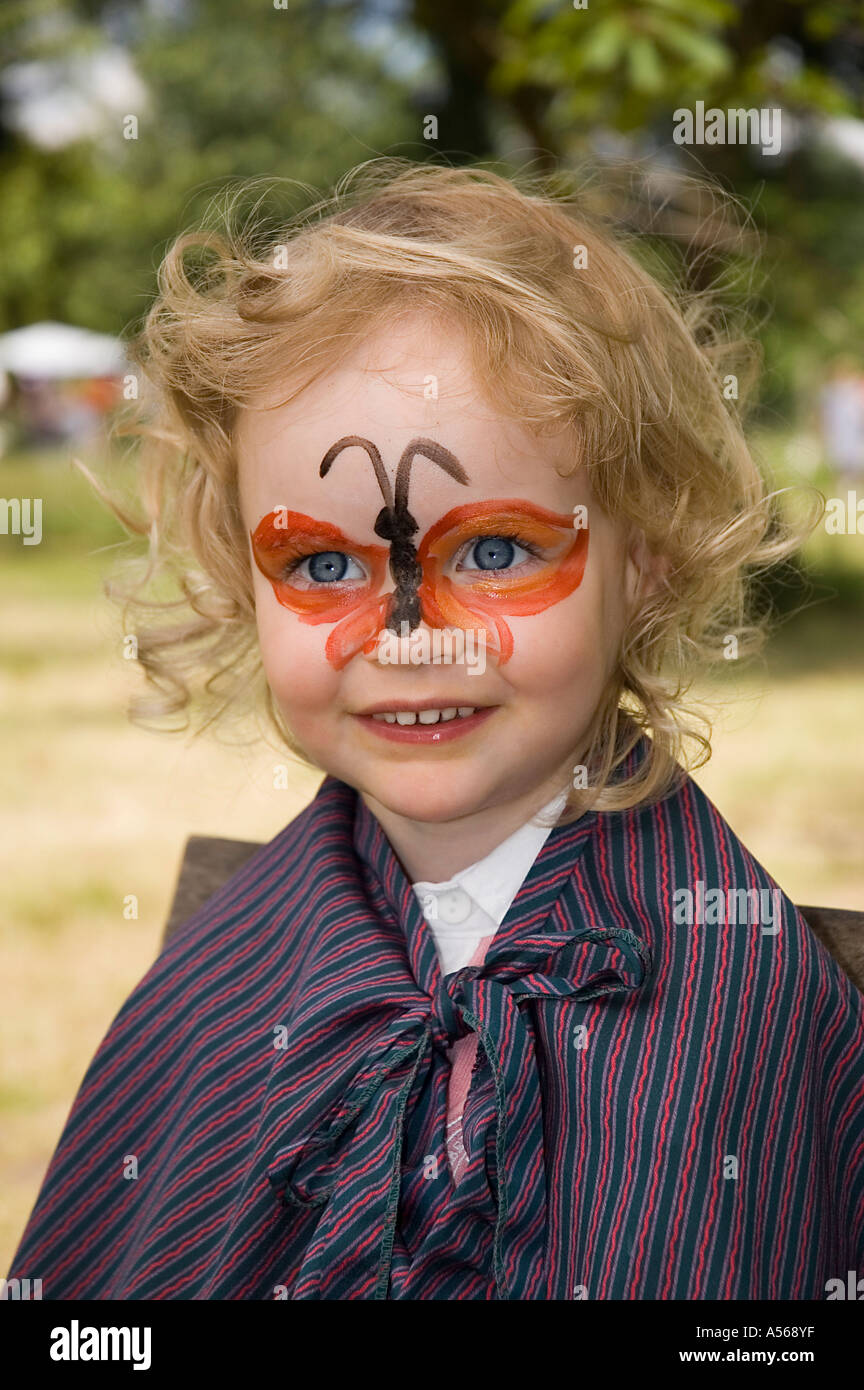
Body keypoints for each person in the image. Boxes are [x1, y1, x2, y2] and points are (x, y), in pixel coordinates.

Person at [8, 159, 864, 1300]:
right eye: (319, 564)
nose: (408, 635)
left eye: (495, 551)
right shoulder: (220, 982)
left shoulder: (741, 1007)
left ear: (646, 556)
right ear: (243, 580)